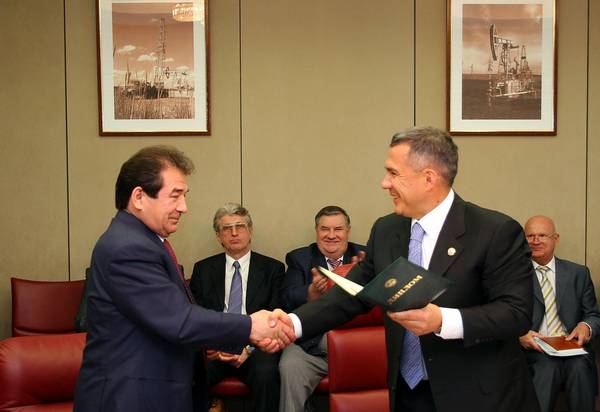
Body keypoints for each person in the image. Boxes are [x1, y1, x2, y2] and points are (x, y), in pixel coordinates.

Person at [289, 126, 539, 412]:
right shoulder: (386, 230)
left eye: (393, 173)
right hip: (407, 393)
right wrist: (291, 324)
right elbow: (352, 294)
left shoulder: (494, 231)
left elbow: (516, 313)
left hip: (478, 395)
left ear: (429, 178)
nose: (384, 183)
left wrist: (442, 320)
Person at [73, 146, 293, 412]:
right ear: (139, 197)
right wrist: (250, 326)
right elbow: (178, 320)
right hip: (130, 396)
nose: (184, 207)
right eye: (175, 196)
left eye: (185, 196)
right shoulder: (128, 248)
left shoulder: (142, 241)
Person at [190, 203, 285, 412]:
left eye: (240, 226)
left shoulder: (273, 269)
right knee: (188, 373)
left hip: (256, 347)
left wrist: (249, 348)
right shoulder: (203, 269)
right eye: (227, 228)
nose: (234, 233)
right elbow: (196, 315)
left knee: (266, 374)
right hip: (216, 347)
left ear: (250, 231)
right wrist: (214, 345)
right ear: (218, 236)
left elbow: (275, 317)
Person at [279, 205, 365, 412]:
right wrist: (310, 293)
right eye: (325, 229)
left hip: (357, 346)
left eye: (338, 229)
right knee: (289, 366)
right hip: (311, 346)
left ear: (348, 231)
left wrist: (364, 279)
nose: (331, 235)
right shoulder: (300, 258)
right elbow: (286, 298)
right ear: (316, 231)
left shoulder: (364, 257)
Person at [519, 215, 600, 412]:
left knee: (580, 368)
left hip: (572, 348)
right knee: (546, 369)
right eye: (530, 236)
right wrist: (520, 335)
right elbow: (502, 314)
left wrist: (586, 326)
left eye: (542, 235)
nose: (535, 240)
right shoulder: (514, 274)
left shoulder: (578, 273)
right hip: (535, 350)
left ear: (556, 238)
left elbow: (593, 315)